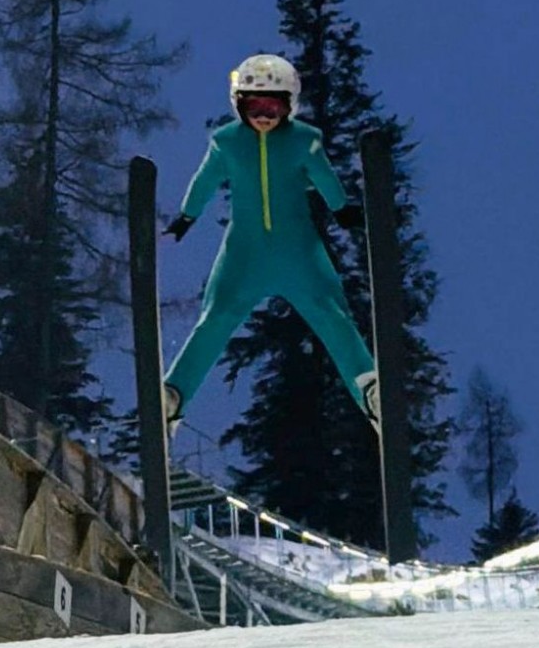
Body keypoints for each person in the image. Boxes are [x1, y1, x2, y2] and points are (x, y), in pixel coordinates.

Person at [161, 54, 379, 437]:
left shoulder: (302, 141)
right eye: (254, 106)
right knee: (217, 316)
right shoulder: (228, 142)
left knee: (330, 314)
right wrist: (187, 216)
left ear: (289, 105)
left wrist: (342, 209)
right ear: (238, 104)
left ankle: (371, 391)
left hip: (298, 251)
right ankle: (173, 395)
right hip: (245, 252)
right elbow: (205, 180)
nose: (264, 116)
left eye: (273, 106)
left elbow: (324, 177)